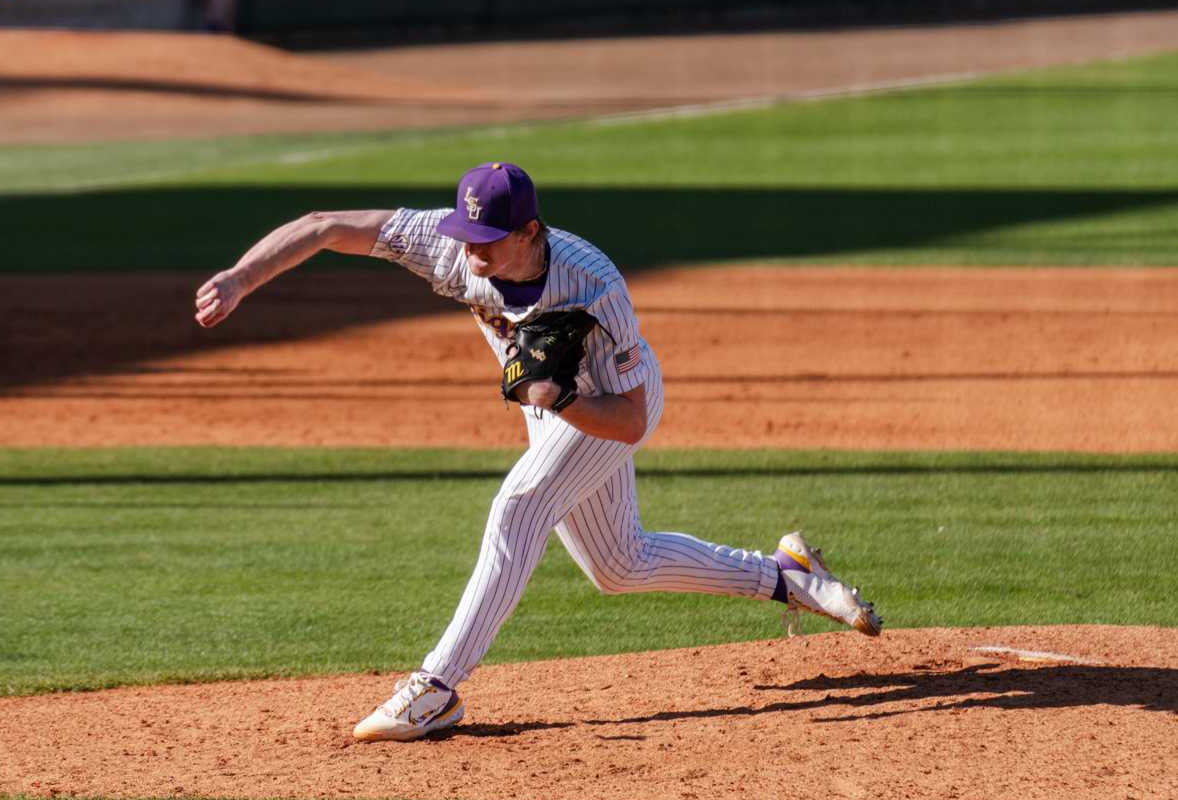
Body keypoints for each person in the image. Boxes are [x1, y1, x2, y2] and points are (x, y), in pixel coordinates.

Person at [191, 161, 884, 743]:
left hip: (606, 404)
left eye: (489, 242)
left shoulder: (595, 287)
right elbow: (323, 227)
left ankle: (437, 688)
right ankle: (785, 575)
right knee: (619, 564)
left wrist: (560, 400)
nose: (472, 254)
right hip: (550, 405)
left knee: (517, 507)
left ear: (529, 233)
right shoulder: (448, 243)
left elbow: (633, 418)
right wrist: (240, 278)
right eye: (466, 236)